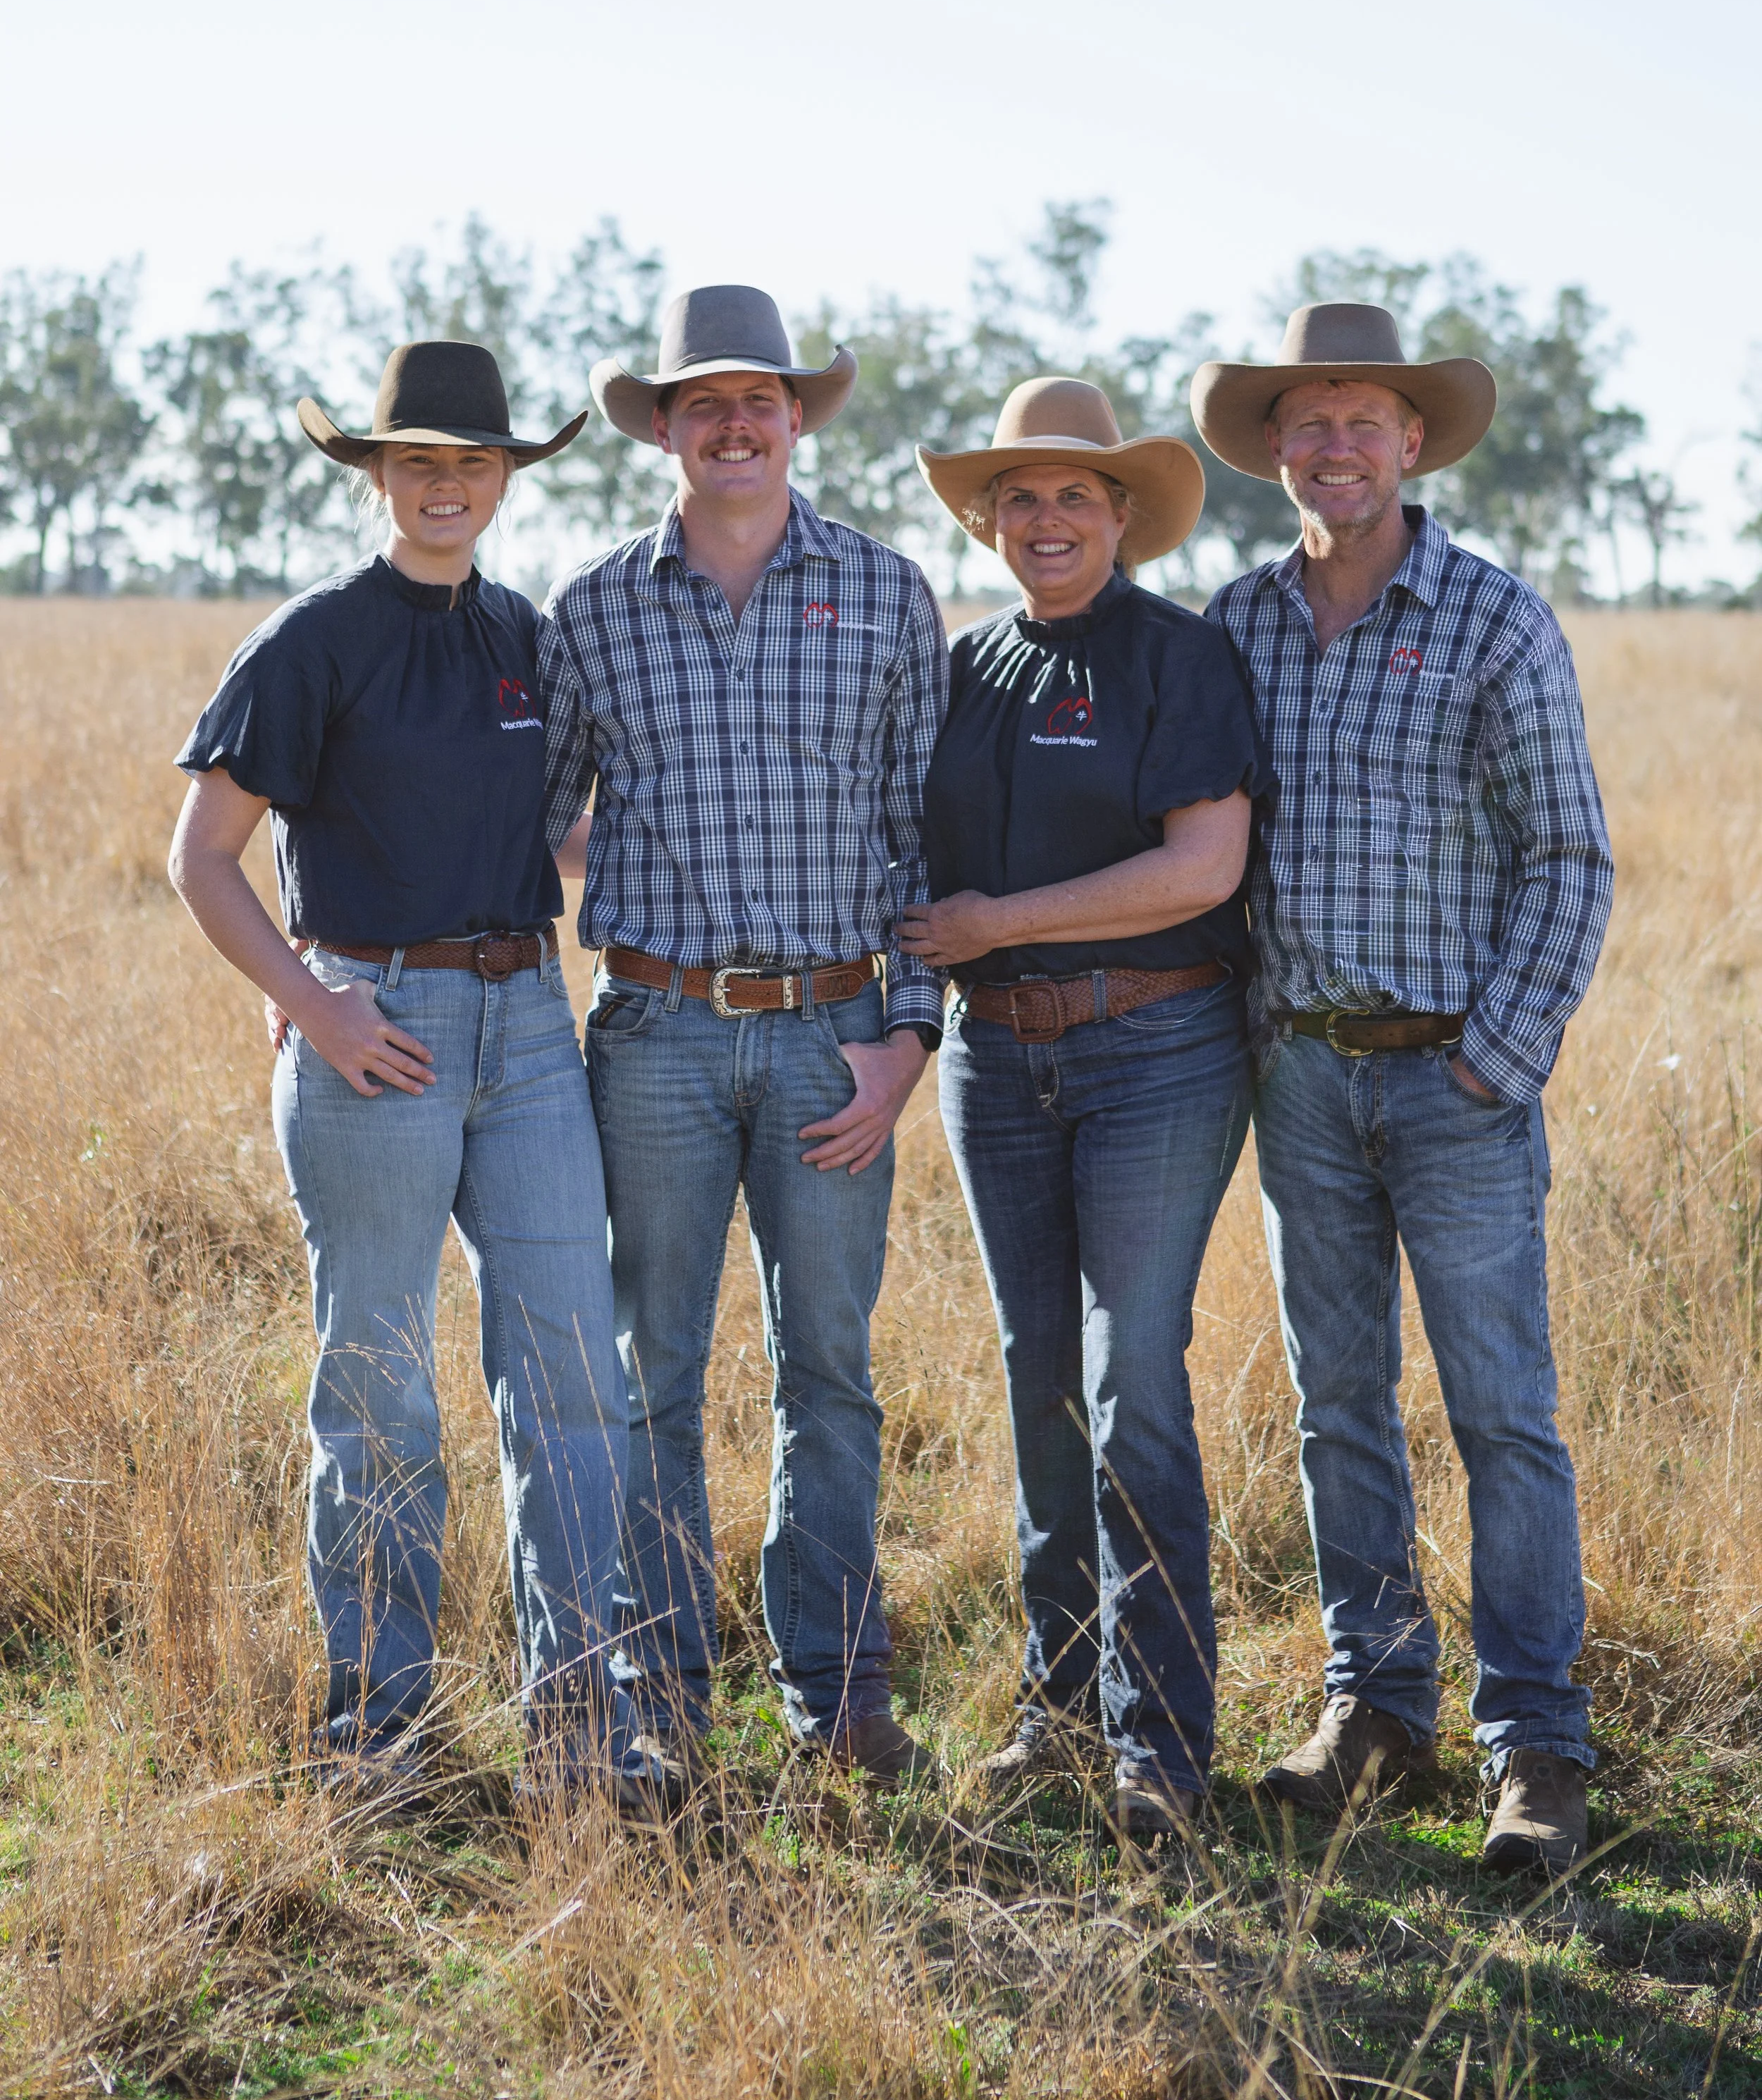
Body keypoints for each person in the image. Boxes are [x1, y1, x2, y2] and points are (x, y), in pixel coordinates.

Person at [168, 340, 650, 1810]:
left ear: (509, 478)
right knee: (380, 1392)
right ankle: (378, 1729)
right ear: (377, 475)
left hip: (529, 1030)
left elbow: (535, 835)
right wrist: (314, 1002)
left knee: (571, 1377)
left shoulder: (522, 633)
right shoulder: (315, 639)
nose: (448, 485)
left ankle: (579, 1728)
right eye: (420, 462)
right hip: (378, 1038)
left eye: (475, 462)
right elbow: (201, 857)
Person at [1196, 303, 1615, 1876]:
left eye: (1362, 419)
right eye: (1305, 423)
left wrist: (1490, 1060)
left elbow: (1568, 858)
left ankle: (1535, 1749)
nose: (1333, 447)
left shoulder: (1494, 619)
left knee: (1502, 1414)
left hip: (1453, 1078)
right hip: (1300, 1076)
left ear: (1412, 442)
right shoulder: (1233, 627)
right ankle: (1373, 1706)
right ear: (1271, 454)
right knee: (1338, 1407)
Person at [541, 284, 949, 1800]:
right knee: (651, 1370)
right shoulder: (589, 611)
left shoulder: (889, 593)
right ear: (660, 425)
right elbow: (526, 829)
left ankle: (838, 1690)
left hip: (837, 1033)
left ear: (794, 418)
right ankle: (662, 1694)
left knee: (826, 1370)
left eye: (756, 399)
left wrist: (907, 1042)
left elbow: (922, 833)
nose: (730, 424)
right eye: (698, 401)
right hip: (650, 1032)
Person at [898, 376, 1266, 1840]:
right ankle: (1057, 1709)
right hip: (994, 1066)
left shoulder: (1180, 660)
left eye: (1074, 495)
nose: (1045, 520)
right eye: (1019, 499)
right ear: (988, 522)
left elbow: (1199, 869)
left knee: (1132, 1383)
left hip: (1155, 1054)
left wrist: (998, 922)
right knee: (1038, 1382)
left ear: (1122, 514)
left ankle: (1160, 1749)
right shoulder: (956, 668)